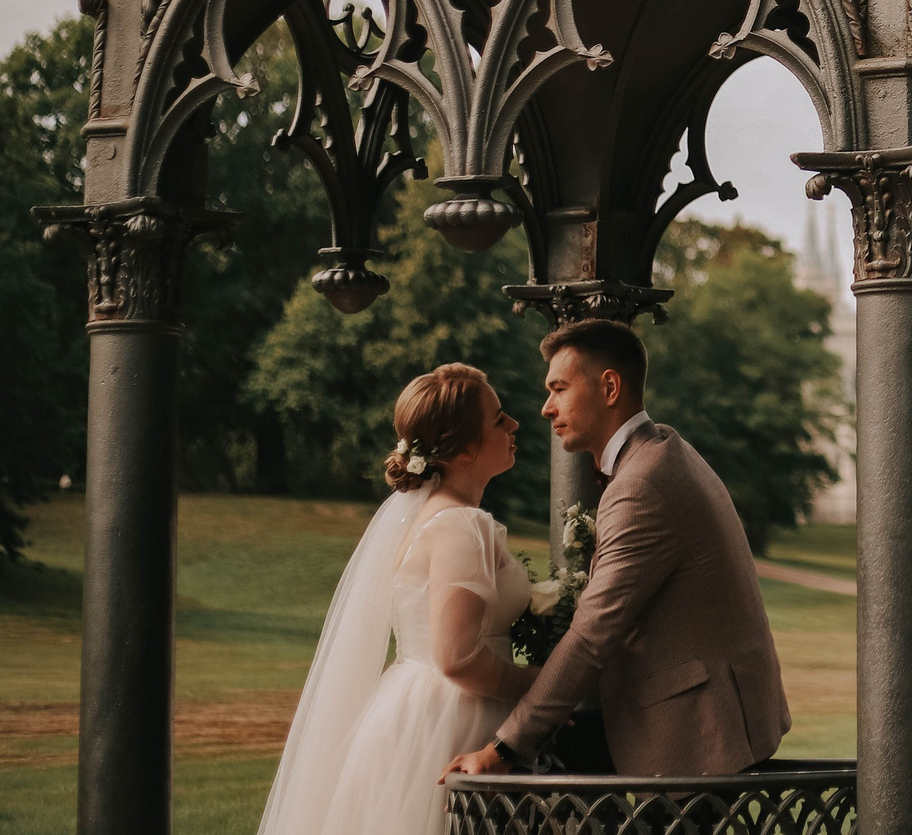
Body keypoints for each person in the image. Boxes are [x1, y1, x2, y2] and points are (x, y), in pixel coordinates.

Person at [445, 318, 790, 782]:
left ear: (609, 387)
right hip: (709, 711)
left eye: (559, 388)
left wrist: (503, 749)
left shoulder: (642, 484)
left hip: (699, 737)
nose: (546, 408)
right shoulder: (662, 447)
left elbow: (592, 635)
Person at [257, 363, 533, 835]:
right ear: (463, 448)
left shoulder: (430, 518)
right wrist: (541, 689)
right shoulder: (461, 526)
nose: (514, 425)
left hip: (411, 710)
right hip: (455, 718)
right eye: (499, 418)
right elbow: (457, 657)